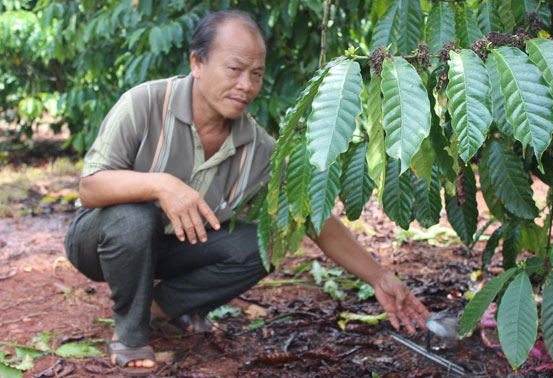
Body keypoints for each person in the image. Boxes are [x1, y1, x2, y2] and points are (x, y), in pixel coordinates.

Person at [64, 9, 431, 376]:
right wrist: (161, 184)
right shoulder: (143, 104)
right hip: (101, 243)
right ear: (197, 62)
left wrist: (378, 277)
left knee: (265, 242)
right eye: (234, 69)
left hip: (170, 249)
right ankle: (130, 336)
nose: (246, 85)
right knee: (134, 215)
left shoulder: (257, 147)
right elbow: (90, 188)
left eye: (256, 74)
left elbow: (312, 217)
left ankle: (162, 307)